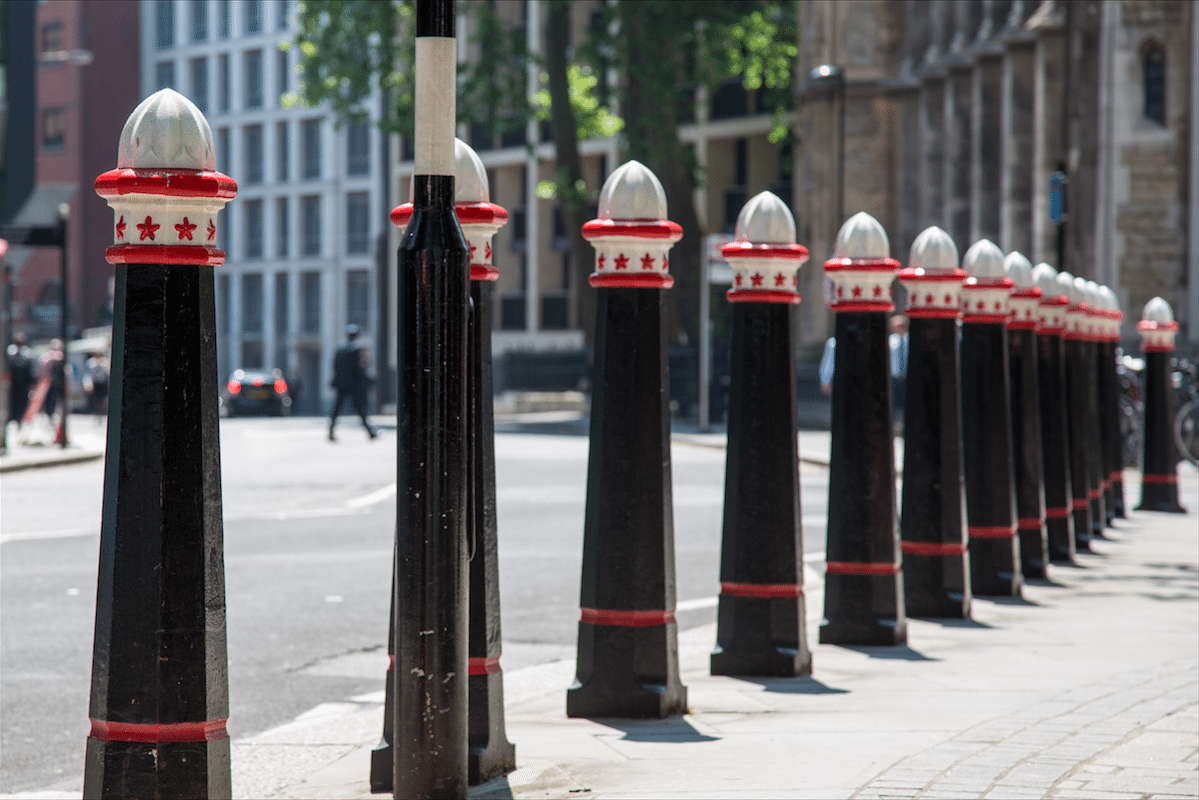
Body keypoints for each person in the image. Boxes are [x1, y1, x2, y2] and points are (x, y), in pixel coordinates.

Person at [329, 324, 376, 441]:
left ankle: (330, 432)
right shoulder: (356, 350)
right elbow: (359, 369)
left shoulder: (340, 349)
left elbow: (334, 367)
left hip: (341, 384)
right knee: (360, 409)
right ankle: (370, 432)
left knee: (337, 409)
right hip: (354, 385)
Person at [6, 332, 35, 431]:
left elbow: (30, 370)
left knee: (21, 403)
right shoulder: (11, 351)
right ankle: (13, 419)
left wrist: (31, 384)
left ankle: (18, 420)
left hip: (22, 384)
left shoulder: (26, 353)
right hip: (13, 384)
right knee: (13, 403)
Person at [888, 315, 909, 433]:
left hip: (906, 378)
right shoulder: (891, 341)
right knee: (893, 403)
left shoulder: (910, 340)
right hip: (894, 377)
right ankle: (892, 426)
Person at [83, 352, 110, 417]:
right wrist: (88, 383)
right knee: (96, 399)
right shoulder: (91, 362)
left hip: (103, 383)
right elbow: (88, 374)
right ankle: (97, 413)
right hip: (95, 383)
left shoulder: (105, 361)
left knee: (103, 399)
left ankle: (102, 412)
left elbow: (108, 372)